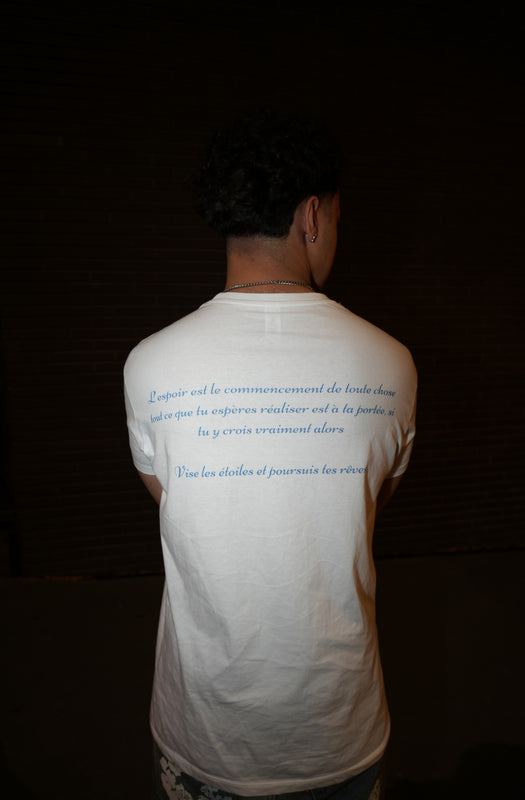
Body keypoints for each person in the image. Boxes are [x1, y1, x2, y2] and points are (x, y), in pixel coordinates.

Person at [124, 110, 417, 800]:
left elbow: (171, 502)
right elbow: (371, 500)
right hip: (339, 727)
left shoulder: (149, 364)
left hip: (207, 729)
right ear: (311, 215)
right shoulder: (390, 363)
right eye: (336, 217)